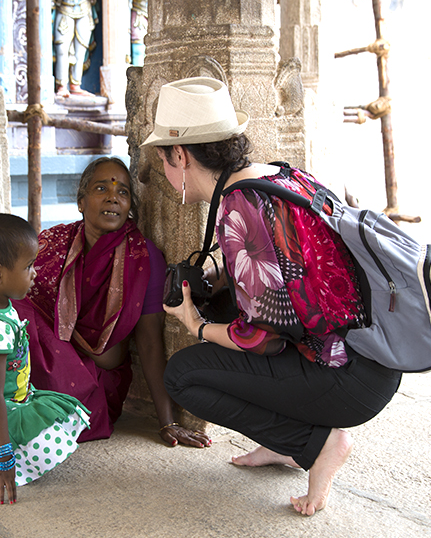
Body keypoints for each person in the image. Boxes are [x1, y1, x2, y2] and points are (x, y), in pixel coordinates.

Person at [144, 77, 402, 516]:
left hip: (347, 381)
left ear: (181, 155)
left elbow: (262, 340)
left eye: (163, 160)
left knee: (184, 376)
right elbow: (288, 267)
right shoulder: (279, 175)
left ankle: (319, 444)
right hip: (373, 360)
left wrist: (195, 323)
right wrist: (219, 272)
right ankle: (283, 443)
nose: (164, 173)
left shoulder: (238, 208)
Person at [14, 157, 211, 447]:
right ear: (81, 202)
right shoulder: (54, 242)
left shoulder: (143, 258)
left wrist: (167, 421)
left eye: (123, 192)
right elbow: (22, 296)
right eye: (101, 188)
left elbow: (150, 342)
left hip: (96, 381)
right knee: (13, 312)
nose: (113, 198)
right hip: (49, 357)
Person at [0, 213, 90, 504]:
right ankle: (0, 457)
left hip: (15, 399)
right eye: (28, 266)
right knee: (51, 436)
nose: (35, 274)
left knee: (58, 411)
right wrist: (3, 458)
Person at [51, 0, 98, 97]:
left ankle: (75, 85)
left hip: (84, 8)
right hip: (64, 8)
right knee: (62, 48)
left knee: (81, 48)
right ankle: (61, 86)